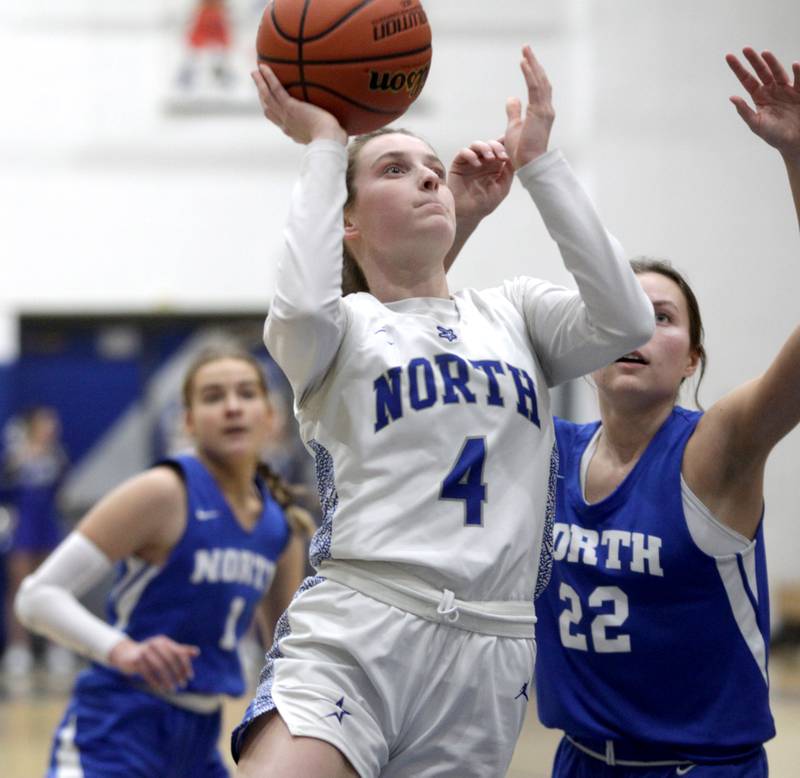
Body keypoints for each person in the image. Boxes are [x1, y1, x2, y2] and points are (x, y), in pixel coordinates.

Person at [233, 45, 654, 778]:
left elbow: (625, 319)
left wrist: (541, 168)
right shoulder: (340, 330)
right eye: (393, 169)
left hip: (491, 647)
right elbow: (299, 301)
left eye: (430, 164)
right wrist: (327, 146)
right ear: (349, 224)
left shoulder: (515, 311)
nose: (427, 172)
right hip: (360, 622)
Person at [532, 47, 800, 777]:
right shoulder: (544, 450)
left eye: (662, 318)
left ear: (692, 360)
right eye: (619, 315)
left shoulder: (717, 448)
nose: (636, 333)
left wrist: (797, 158)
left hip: (700, 766)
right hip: (580, 760)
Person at [14, 346, 312, 777]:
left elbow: (286, 655)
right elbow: (36, 597)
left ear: (271, 415)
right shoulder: (163, 492)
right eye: (212, 397)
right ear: (188, 421)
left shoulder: (281, 523)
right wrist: (123, 651)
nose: (231, 407)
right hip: (114, 730)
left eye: (246, 393)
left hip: (200, 739)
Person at [1, 405, 71, 679]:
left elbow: (60, 487)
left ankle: (56, 647)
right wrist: (17, 462)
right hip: (23, 525)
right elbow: (6, 487)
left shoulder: (56, 455)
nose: (51, 429)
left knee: (52, 586)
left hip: (47, 524)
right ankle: (19, 648)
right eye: (46, 424)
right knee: (19, 586)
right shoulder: (15, 454)